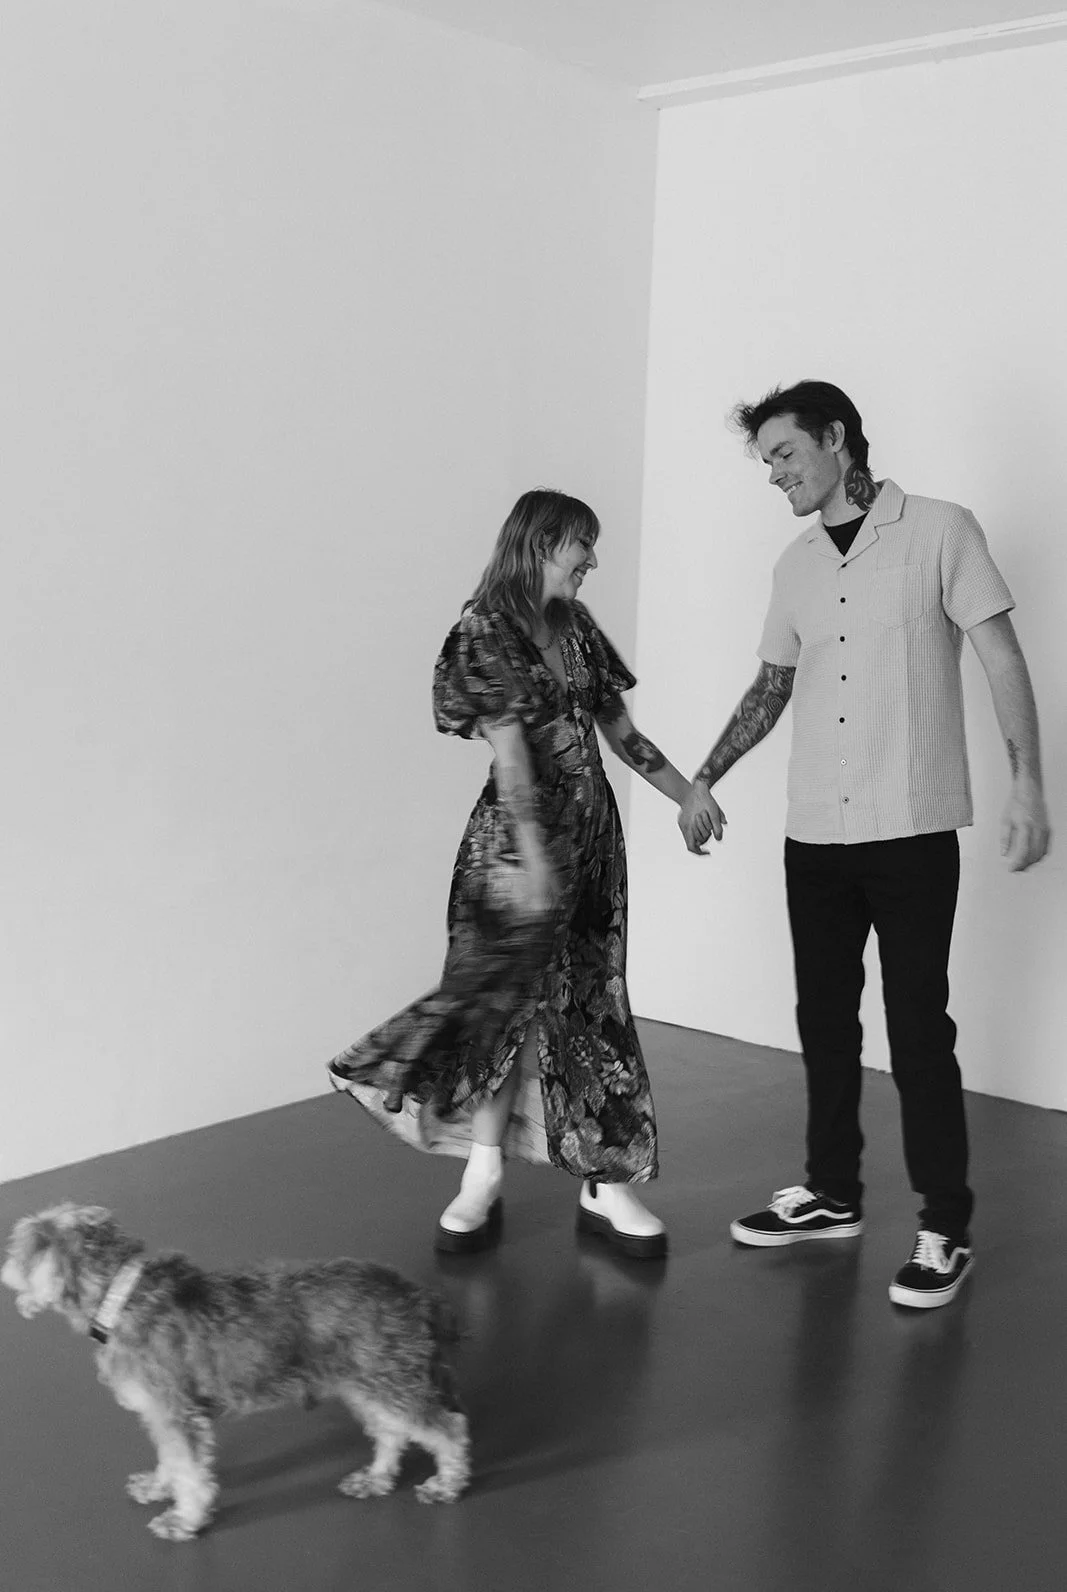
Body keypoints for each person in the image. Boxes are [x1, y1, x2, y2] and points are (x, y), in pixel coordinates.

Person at [678, 381, 1050, 1309]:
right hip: (816, 835)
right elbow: (770, 685)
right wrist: (705, 777)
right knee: (824, 1021)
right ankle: (833, 1193)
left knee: (920, 1034)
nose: (773, 476)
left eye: (784, 455)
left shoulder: (938, 530)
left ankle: (943, 1228)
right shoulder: (794, 564)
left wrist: (1028, 781)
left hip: (912, 827)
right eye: (765, 462)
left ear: (834, 439)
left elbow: (1001, 656)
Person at [330, 489, 694, 1259]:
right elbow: (511, 754)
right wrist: (532, 861)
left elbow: (620, 731)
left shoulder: (575, 628)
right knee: (498, 1009)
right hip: (512, 855)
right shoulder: (482, 630)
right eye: (581, 547)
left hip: (591, 844)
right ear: (539, 545)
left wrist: (684, 792)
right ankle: (482, 1173)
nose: (592, 560)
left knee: (592, 1006)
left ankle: (605, 1179)